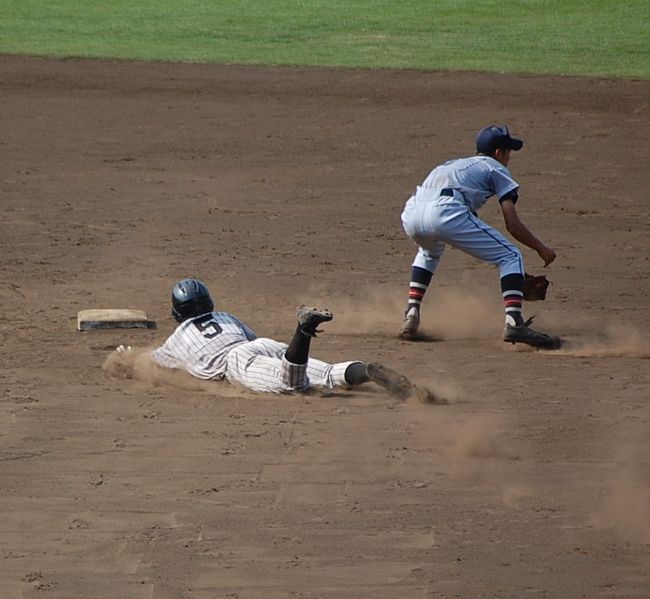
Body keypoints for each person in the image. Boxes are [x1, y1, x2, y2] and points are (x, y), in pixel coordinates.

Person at [398, 124, 560, 349]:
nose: (509, 157)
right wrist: (541, 248)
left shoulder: (452, 165)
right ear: (498, 153)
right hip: (445, 211)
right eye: (509, 152)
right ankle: (514, 322)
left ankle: (411, 314)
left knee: (429, 251)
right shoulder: (496, 168)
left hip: (412, 212)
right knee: (511, 255)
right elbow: (512, 224)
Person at [147, 278, 413, 397]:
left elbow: (153, 364)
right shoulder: (225, 316)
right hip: (261, 346)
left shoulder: (177, 337)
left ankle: (304, 329)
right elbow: (252, 339)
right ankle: (366, 370)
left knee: (293, 385)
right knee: (329, 374)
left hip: (237, 362)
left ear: (177, 312)